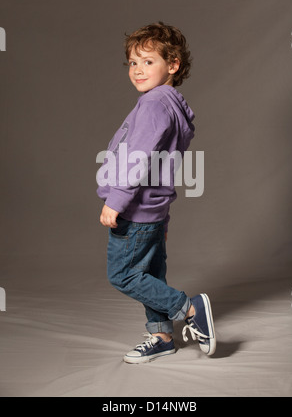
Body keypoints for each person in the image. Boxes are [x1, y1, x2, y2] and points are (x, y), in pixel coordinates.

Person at [97, 21, 216, 363]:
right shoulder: (170, 104)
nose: (137, 70)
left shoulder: (153, 105)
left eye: (148, 61)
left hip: (135, 210)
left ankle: (190, 309)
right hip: (154, 210)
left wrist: (116, 199)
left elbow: (138, 157)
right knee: (150, 274)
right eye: (133, 62)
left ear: (173, 65)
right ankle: (161, 335)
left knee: (122, 274)